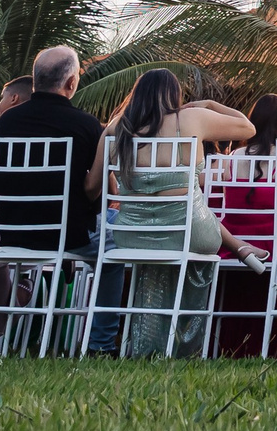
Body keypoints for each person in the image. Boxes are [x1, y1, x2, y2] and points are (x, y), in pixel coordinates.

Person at [101, 69, 263, 357]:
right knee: (193, 209)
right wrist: (209, 104)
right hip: (189, 232)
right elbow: (248, 128)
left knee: (186, 212)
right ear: (174, 95)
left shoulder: (117, 127)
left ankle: (149, 343)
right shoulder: (191, 118)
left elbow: (94, 186)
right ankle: (182, 343)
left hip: (132, 235)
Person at [0, 45, 107, 258]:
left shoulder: (6, 122)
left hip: (11, 233)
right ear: (71, 82)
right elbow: (92, 189)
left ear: (36, 80)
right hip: (67, 236)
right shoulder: (85, 125)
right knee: (116, 247)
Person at [215, 94, 277, 358]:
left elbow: (227, 203)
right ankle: (273, 344)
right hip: (273, 243)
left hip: (233, 245)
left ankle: (229, 345)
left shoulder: (232, 157)